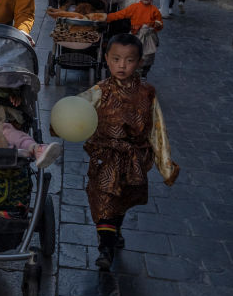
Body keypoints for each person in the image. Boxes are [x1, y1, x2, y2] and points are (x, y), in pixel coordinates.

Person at [77, 33, 179, 271]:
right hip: (105, 156)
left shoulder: (147, 93)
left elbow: (157, 127)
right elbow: (78, 111)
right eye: (116, 59)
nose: (122, 65)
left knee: (122, 199)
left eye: (129, 60)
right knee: (103, 199)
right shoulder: (99, 90)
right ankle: (106, 248)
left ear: (139, 62)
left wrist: (165, 164)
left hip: (134, 158)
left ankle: (115, 229)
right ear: (106, 59)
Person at [102, 0, 162, 70]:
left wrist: (156, 25)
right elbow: (121, 14)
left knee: (148, 56)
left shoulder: (155, 10)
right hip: (135, 35)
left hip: (149, 36)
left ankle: (144, 74)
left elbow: (159, 24)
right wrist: (106, 17)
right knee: (132, 54)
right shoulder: (134, 7)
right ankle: (132, 71)